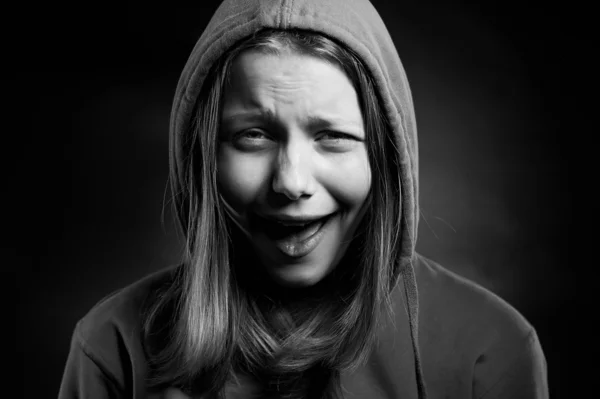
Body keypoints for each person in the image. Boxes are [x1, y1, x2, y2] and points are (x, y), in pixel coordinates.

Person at [58, 0, 549, 398]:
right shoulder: (113, 345)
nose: (291, 181)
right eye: (253, 136)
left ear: (385, 156)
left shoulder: (490, 350)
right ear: (204, 154)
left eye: (332, 137)